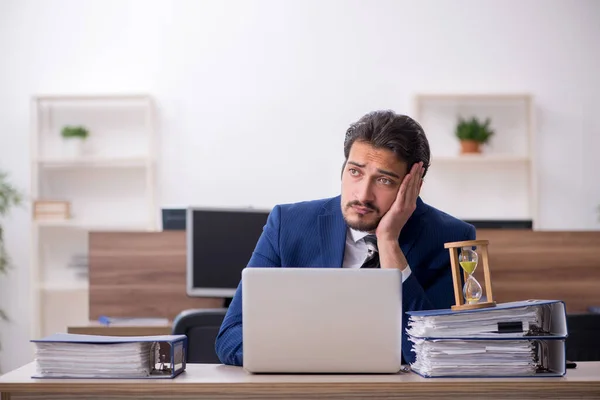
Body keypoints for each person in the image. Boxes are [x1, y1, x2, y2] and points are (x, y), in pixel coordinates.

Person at [215, 110, 476, 366]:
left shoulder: (451, 238)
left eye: (384, 180)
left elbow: (436, 354)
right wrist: (324, 355)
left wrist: (388, 242)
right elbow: (231, 338)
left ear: (414, 187)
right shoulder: (288, 223)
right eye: (355, 172)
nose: (363, 195)